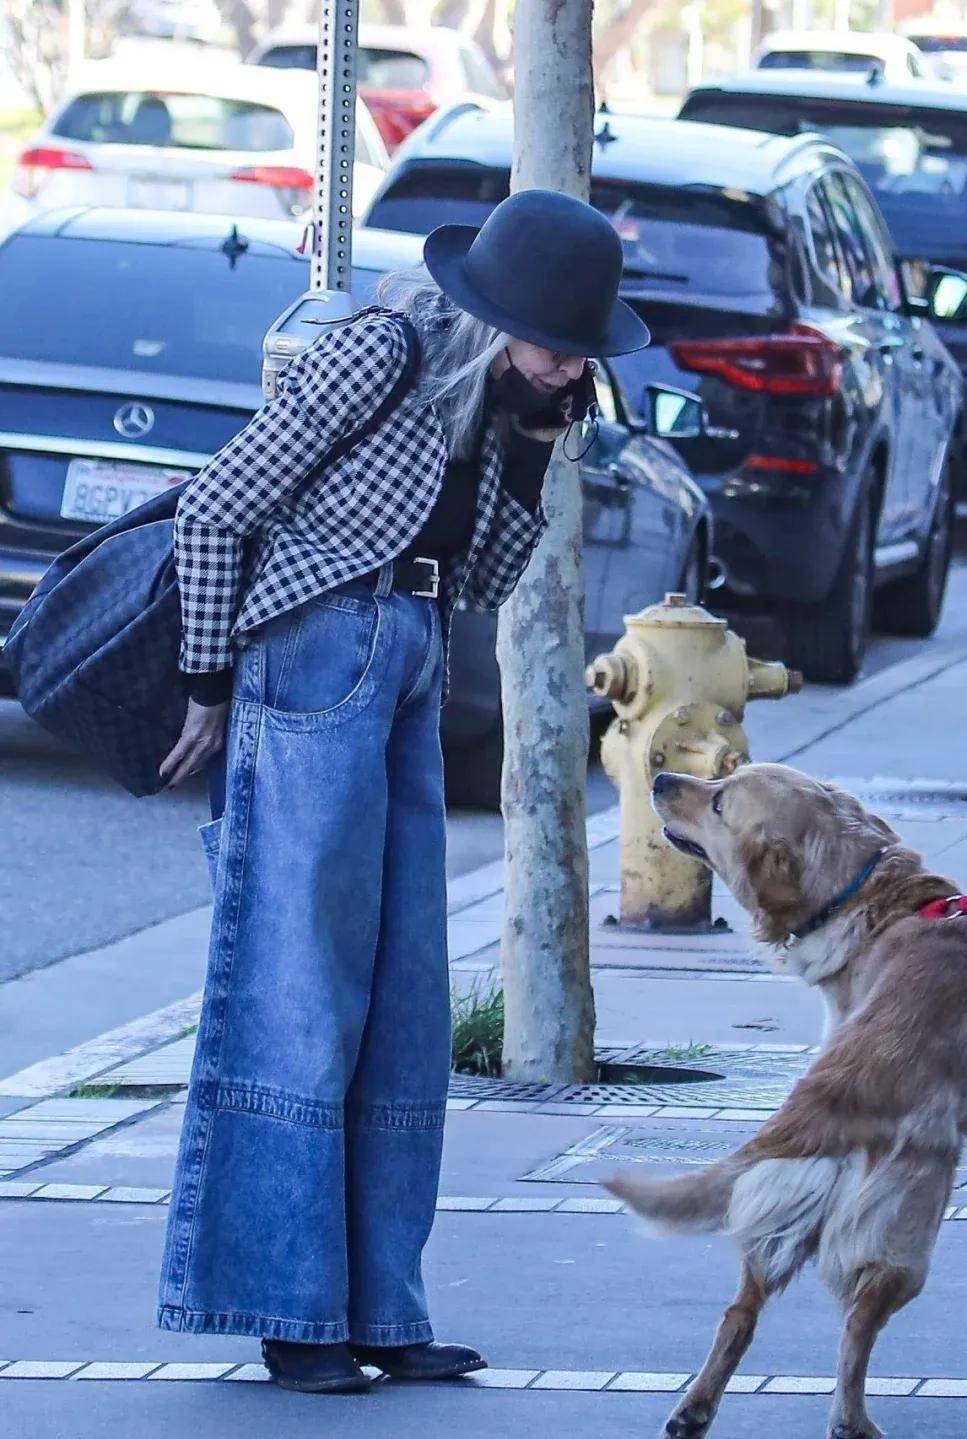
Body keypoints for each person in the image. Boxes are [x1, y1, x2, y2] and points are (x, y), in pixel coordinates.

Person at [154, 189, 650, 1394]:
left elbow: (480, 579)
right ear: (493, 313)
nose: (568, 362)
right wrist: (209, 679)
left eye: (581, 347)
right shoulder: (383, 351)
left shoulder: (502, 398)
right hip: (315, 650)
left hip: (415, 652)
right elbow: (218, 504)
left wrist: (535, 442)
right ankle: (291, 1307)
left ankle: (383, 1303)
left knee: (408, 998)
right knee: (302, 988)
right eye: (553, 342)